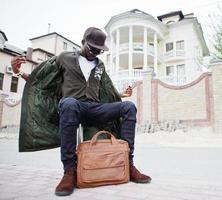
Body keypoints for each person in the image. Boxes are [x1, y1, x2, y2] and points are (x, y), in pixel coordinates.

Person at [11, 27, 151, 196]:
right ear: (83, 42)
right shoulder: (65, 58)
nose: (94, 53)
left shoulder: (100, 65)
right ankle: (69, 172)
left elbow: (106, 90)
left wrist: (122, 94)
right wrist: (18, 72)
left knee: (129, 107)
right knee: (69, 103)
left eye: (99, 51)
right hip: (73, 107)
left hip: (95, 108)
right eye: (92, 48)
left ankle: (128, 164)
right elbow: (41, 79)